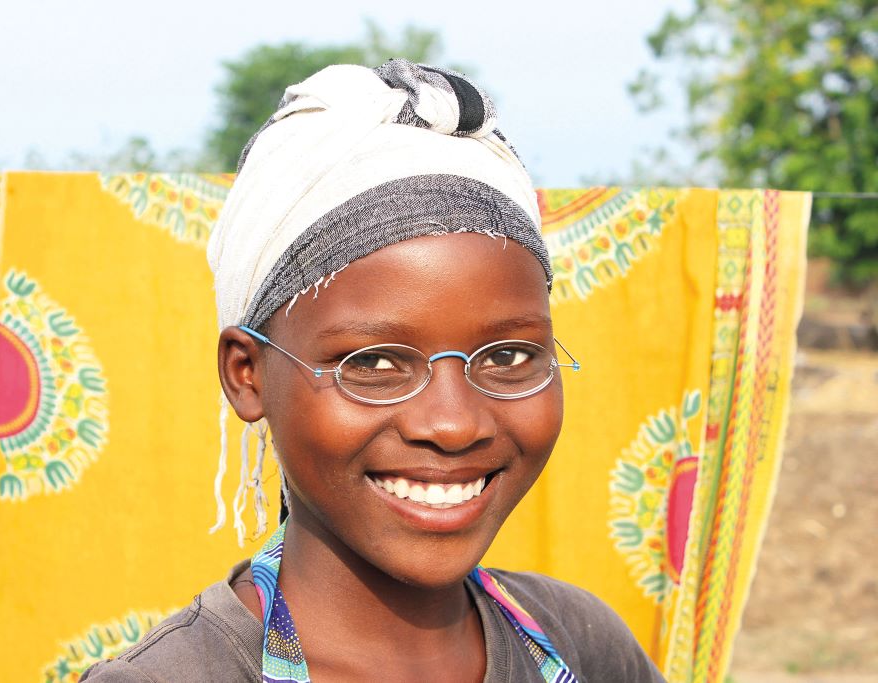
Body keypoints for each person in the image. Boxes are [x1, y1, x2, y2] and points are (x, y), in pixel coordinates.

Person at [81, 59, 665, 682]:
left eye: (508, 357)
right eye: (376, 363)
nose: (452, 424)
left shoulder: (581, 642)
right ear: (247, 374)